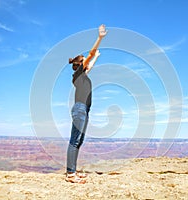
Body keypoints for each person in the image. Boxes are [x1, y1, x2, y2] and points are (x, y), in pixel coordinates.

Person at [66, 24, 107, 184]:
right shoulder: (77, 74)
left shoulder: (81, 75)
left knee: (79, 140)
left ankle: (73, 171)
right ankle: (71, 174)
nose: (87, 63)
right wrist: (100, 38)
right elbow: (89, 55)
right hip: (80, 109)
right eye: (85, 61)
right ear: (80, 64)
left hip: (84, 110)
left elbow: (90, 63)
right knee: (75, 140)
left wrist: (96, 57)